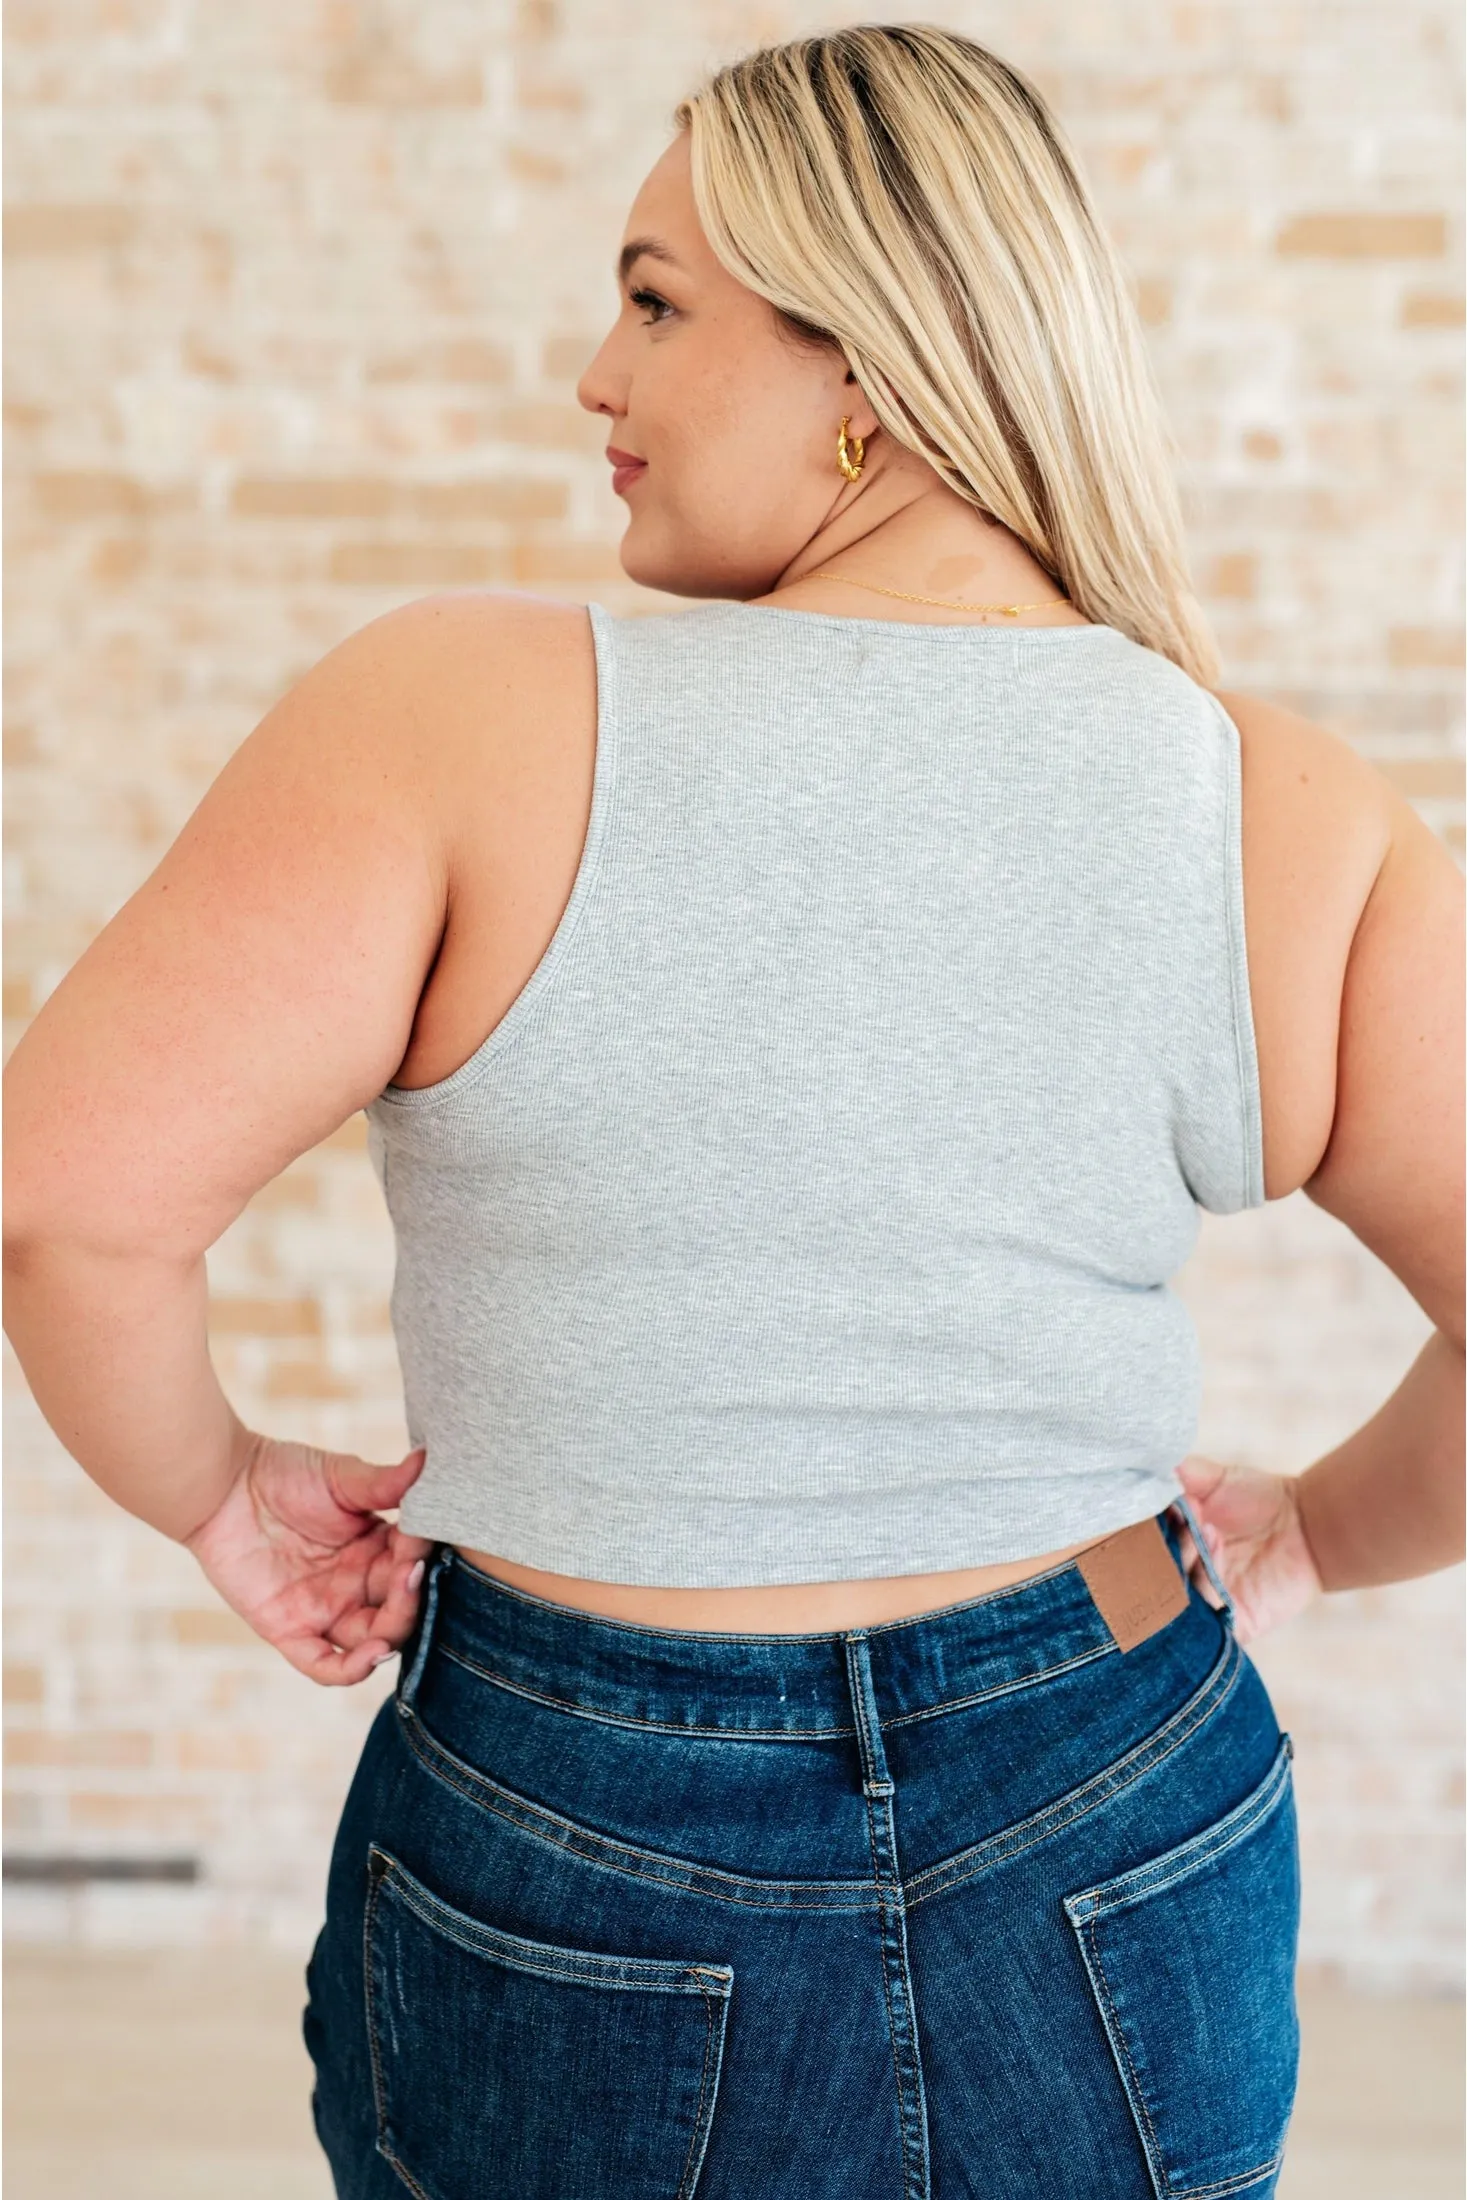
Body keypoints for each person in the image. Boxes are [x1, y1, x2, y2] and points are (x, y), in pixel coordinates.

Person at [4, 23, 1461, 2199]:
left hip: (574, 1820)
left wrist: (218, 1491)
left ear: (862, 356)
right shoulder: (1277, 806)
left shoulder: (450, 716)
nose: (597, 373)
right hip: (1116, 1790)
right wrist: (1321, 1528)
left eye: (658, 297)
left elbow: (64, 1205)